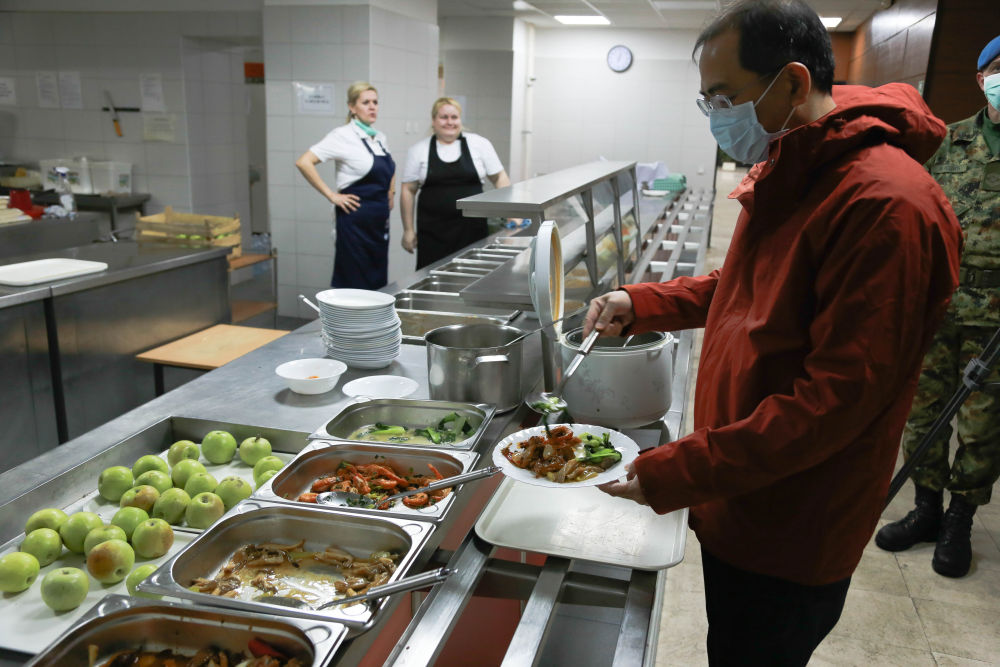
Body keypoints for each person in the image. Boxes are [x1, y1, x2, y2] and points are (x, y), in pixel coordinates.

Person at [583, 1, 962, 664]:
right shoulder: (800, 162)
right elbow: (744, 288)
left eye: (724, 96)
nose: (716, 117)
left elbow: (834, 403)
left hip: (793, 523)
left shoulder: (883, 205)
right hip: (745, 494)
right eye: (707, 101)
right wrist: (640, 302)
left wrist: (683, 468)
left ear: (790, 83)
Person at [875, 35, 1000, 579]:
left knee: (982, 427)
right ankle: (925, 510)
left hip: (996, 323)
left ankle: (959, 520)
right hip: (939, 305)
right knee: (920, 412)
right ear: (982, 77)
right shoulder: (947, 142)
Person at [295, 81, 395, 289]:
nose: (372, 107)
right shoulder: (342, 136)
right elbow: (304, 162)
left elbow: (389, 168)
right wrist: (332, 195)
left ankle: (373, 322)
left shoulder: (380, 137)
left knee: (377, 282)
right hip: (354, 222)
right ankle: (349, 322)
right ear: (352, 107)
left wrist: (391, 191)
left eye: (375, 102)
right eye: (365, 102)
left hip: (378, 222)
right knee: (354, 282)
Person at [399, 97, 511, 269]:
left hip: (473, 230)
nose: (449, 122)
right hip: (432, 233)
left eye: (454, 117)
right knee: (433, 279)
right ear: (433, 121)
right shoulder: (418, 150)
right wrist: (408, 230)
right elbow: (408, 190)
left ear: (460, 120)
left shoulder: (479, 144)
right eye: (444, 117)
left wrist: (512, 214)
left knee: (474, 276)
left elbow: (499, 178)